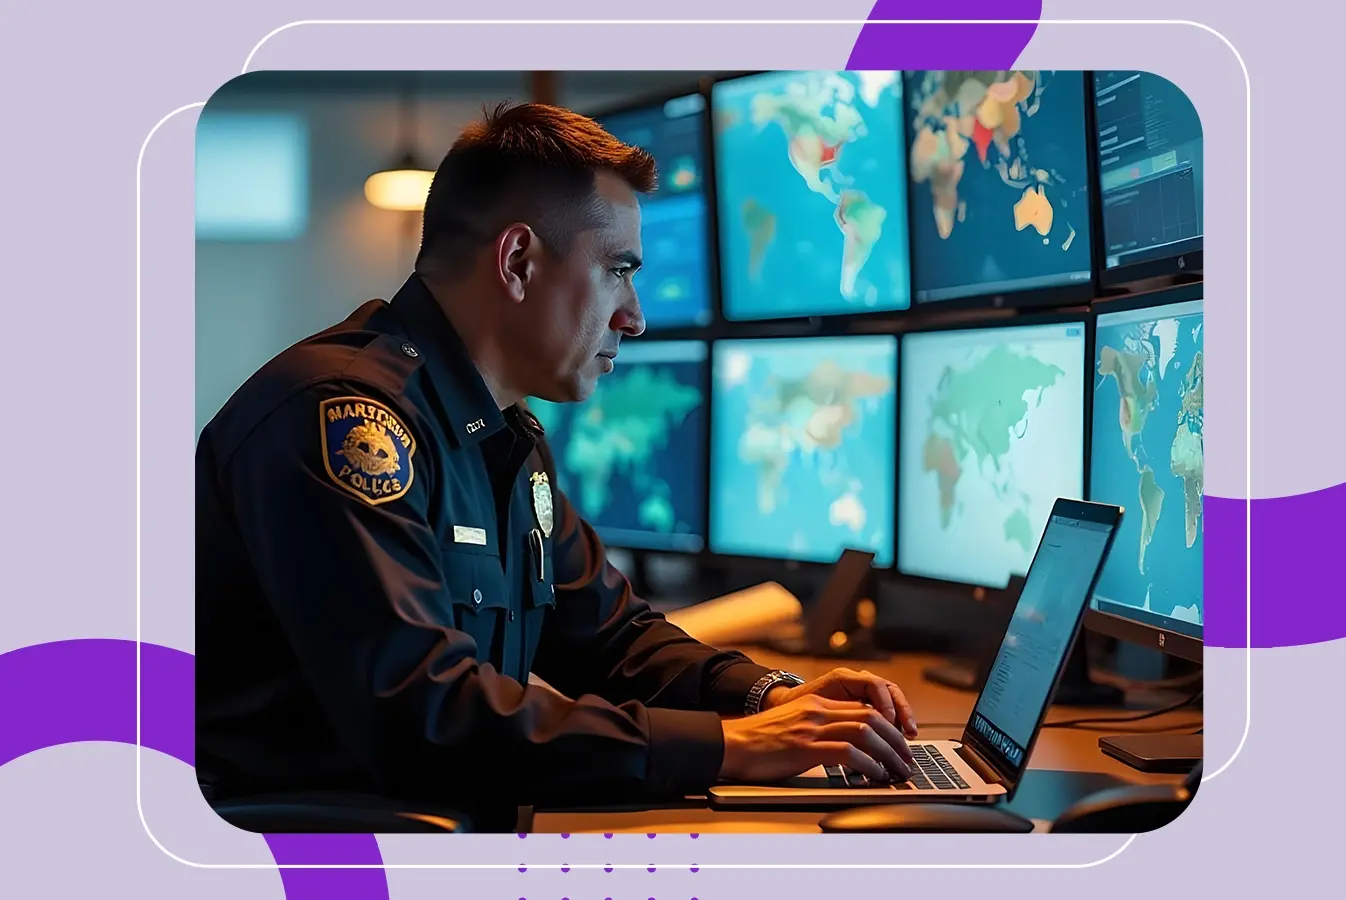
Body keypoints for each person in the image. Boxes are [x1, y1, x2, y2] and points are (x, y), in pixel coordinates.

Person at [195, 101, 919, 821]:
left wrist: (771, 698)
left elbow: (611, 637)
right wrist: (731, 747)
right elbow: (425, 717)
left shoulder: (504, 438)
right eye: (618, 271)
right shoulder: (343, 421)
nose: (635, 314)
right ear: (517, 262)